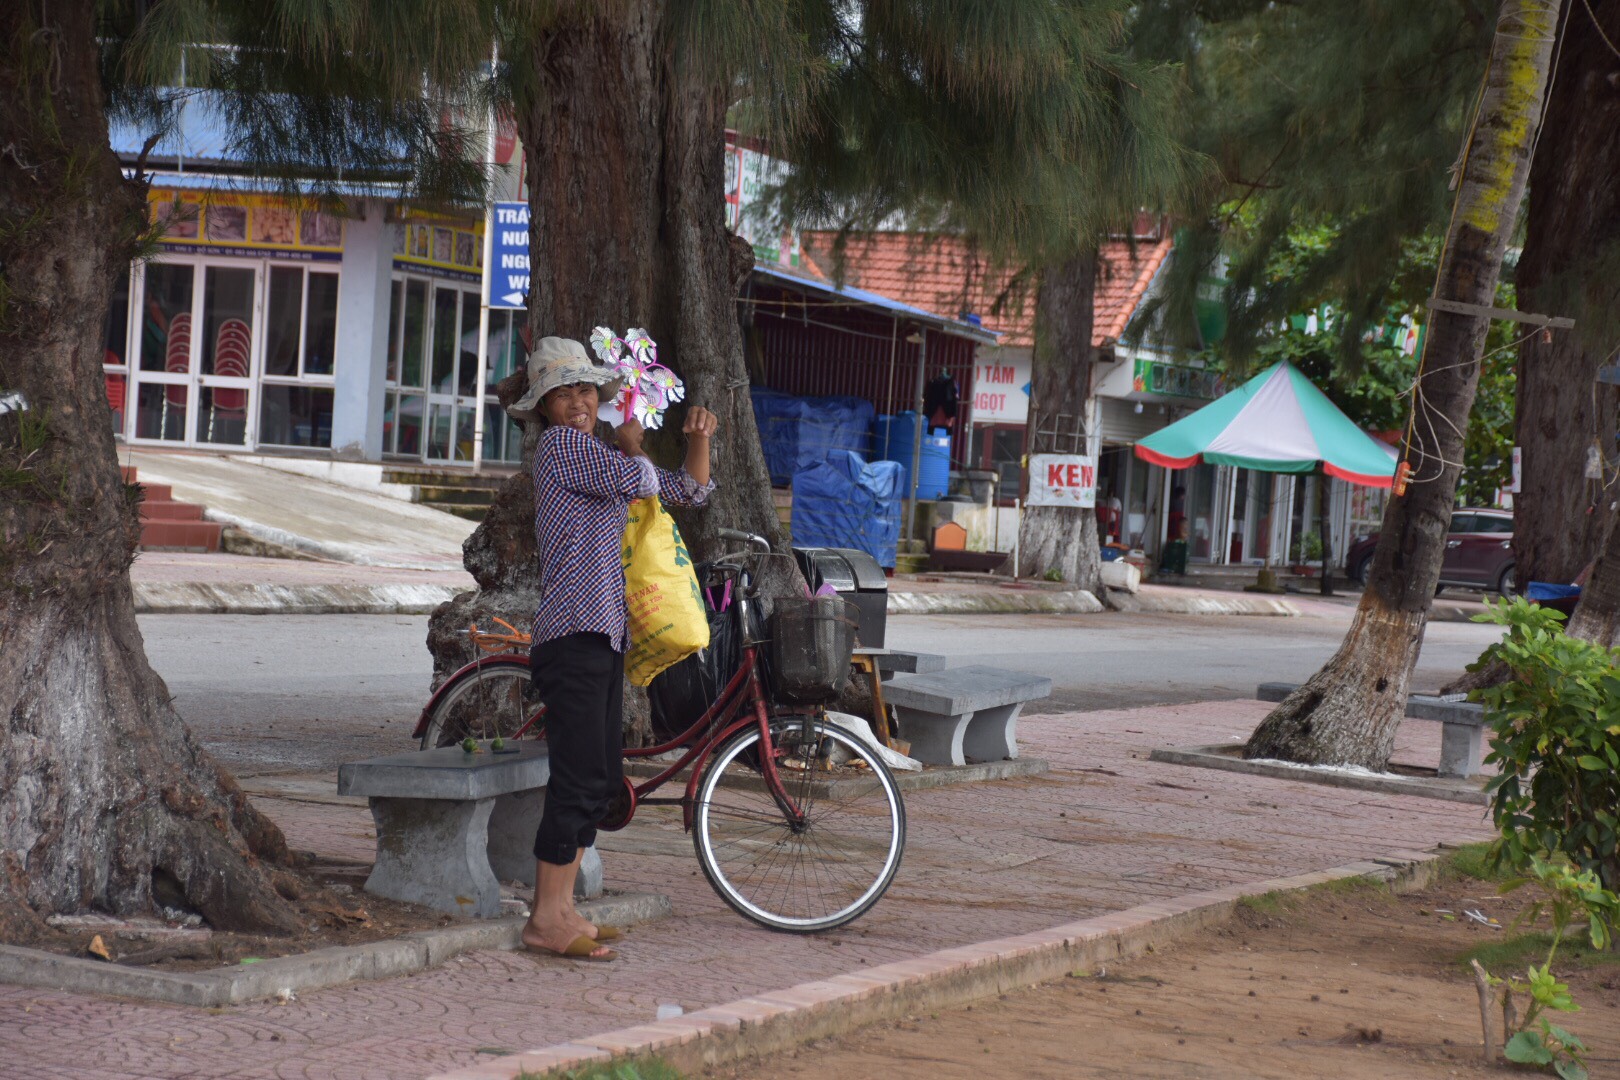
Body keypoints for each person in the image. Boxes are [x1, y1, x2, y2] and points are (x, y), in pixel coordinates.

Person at [506, 336, 718, 961]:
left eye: (585, 391)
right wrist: (635, 445)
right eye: (562, 394)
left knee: (596, 778)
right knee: (575, 779)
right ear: (543, 408)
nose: (576, 403)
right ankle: (544, 918)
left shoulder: (593, 452)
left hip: (601, 636)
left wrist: (698, 438)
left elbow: (691, 493)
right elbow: (645, 477)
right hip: (572, 636)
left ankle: (565, 908)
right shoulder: (563, 449)